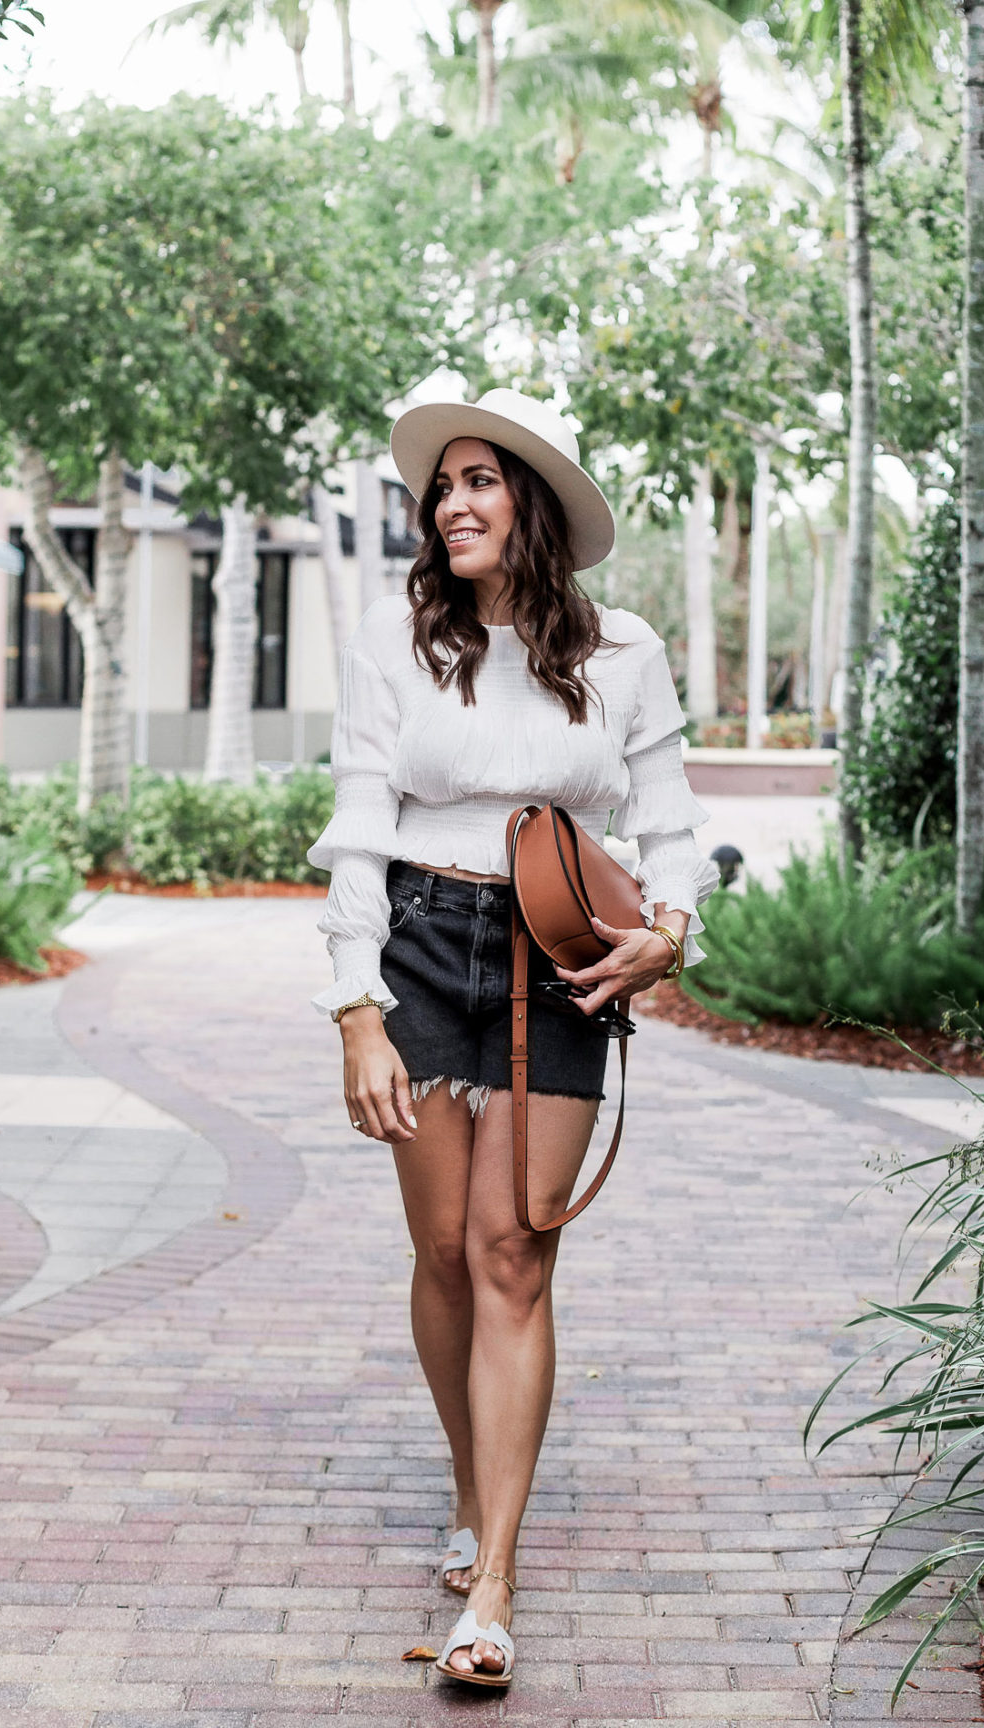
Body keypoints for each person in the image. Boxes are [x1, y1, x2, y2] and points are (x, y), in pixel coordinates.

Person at [307, 389, 717, 1691]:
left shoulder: (622, 650)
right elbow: (358, 816)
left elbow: (666, 816)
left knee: (512, 1254)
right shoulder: (397, 637)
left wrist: (673, 927)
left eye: (479, 480)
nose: (453, 504)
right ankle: (471, 1483)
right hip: (420, 943)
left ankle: (493, 1584)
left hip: (560, 961)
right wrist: (354, 1008)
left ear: (530, 502)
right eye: (441, 488)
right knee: (440, 1247)